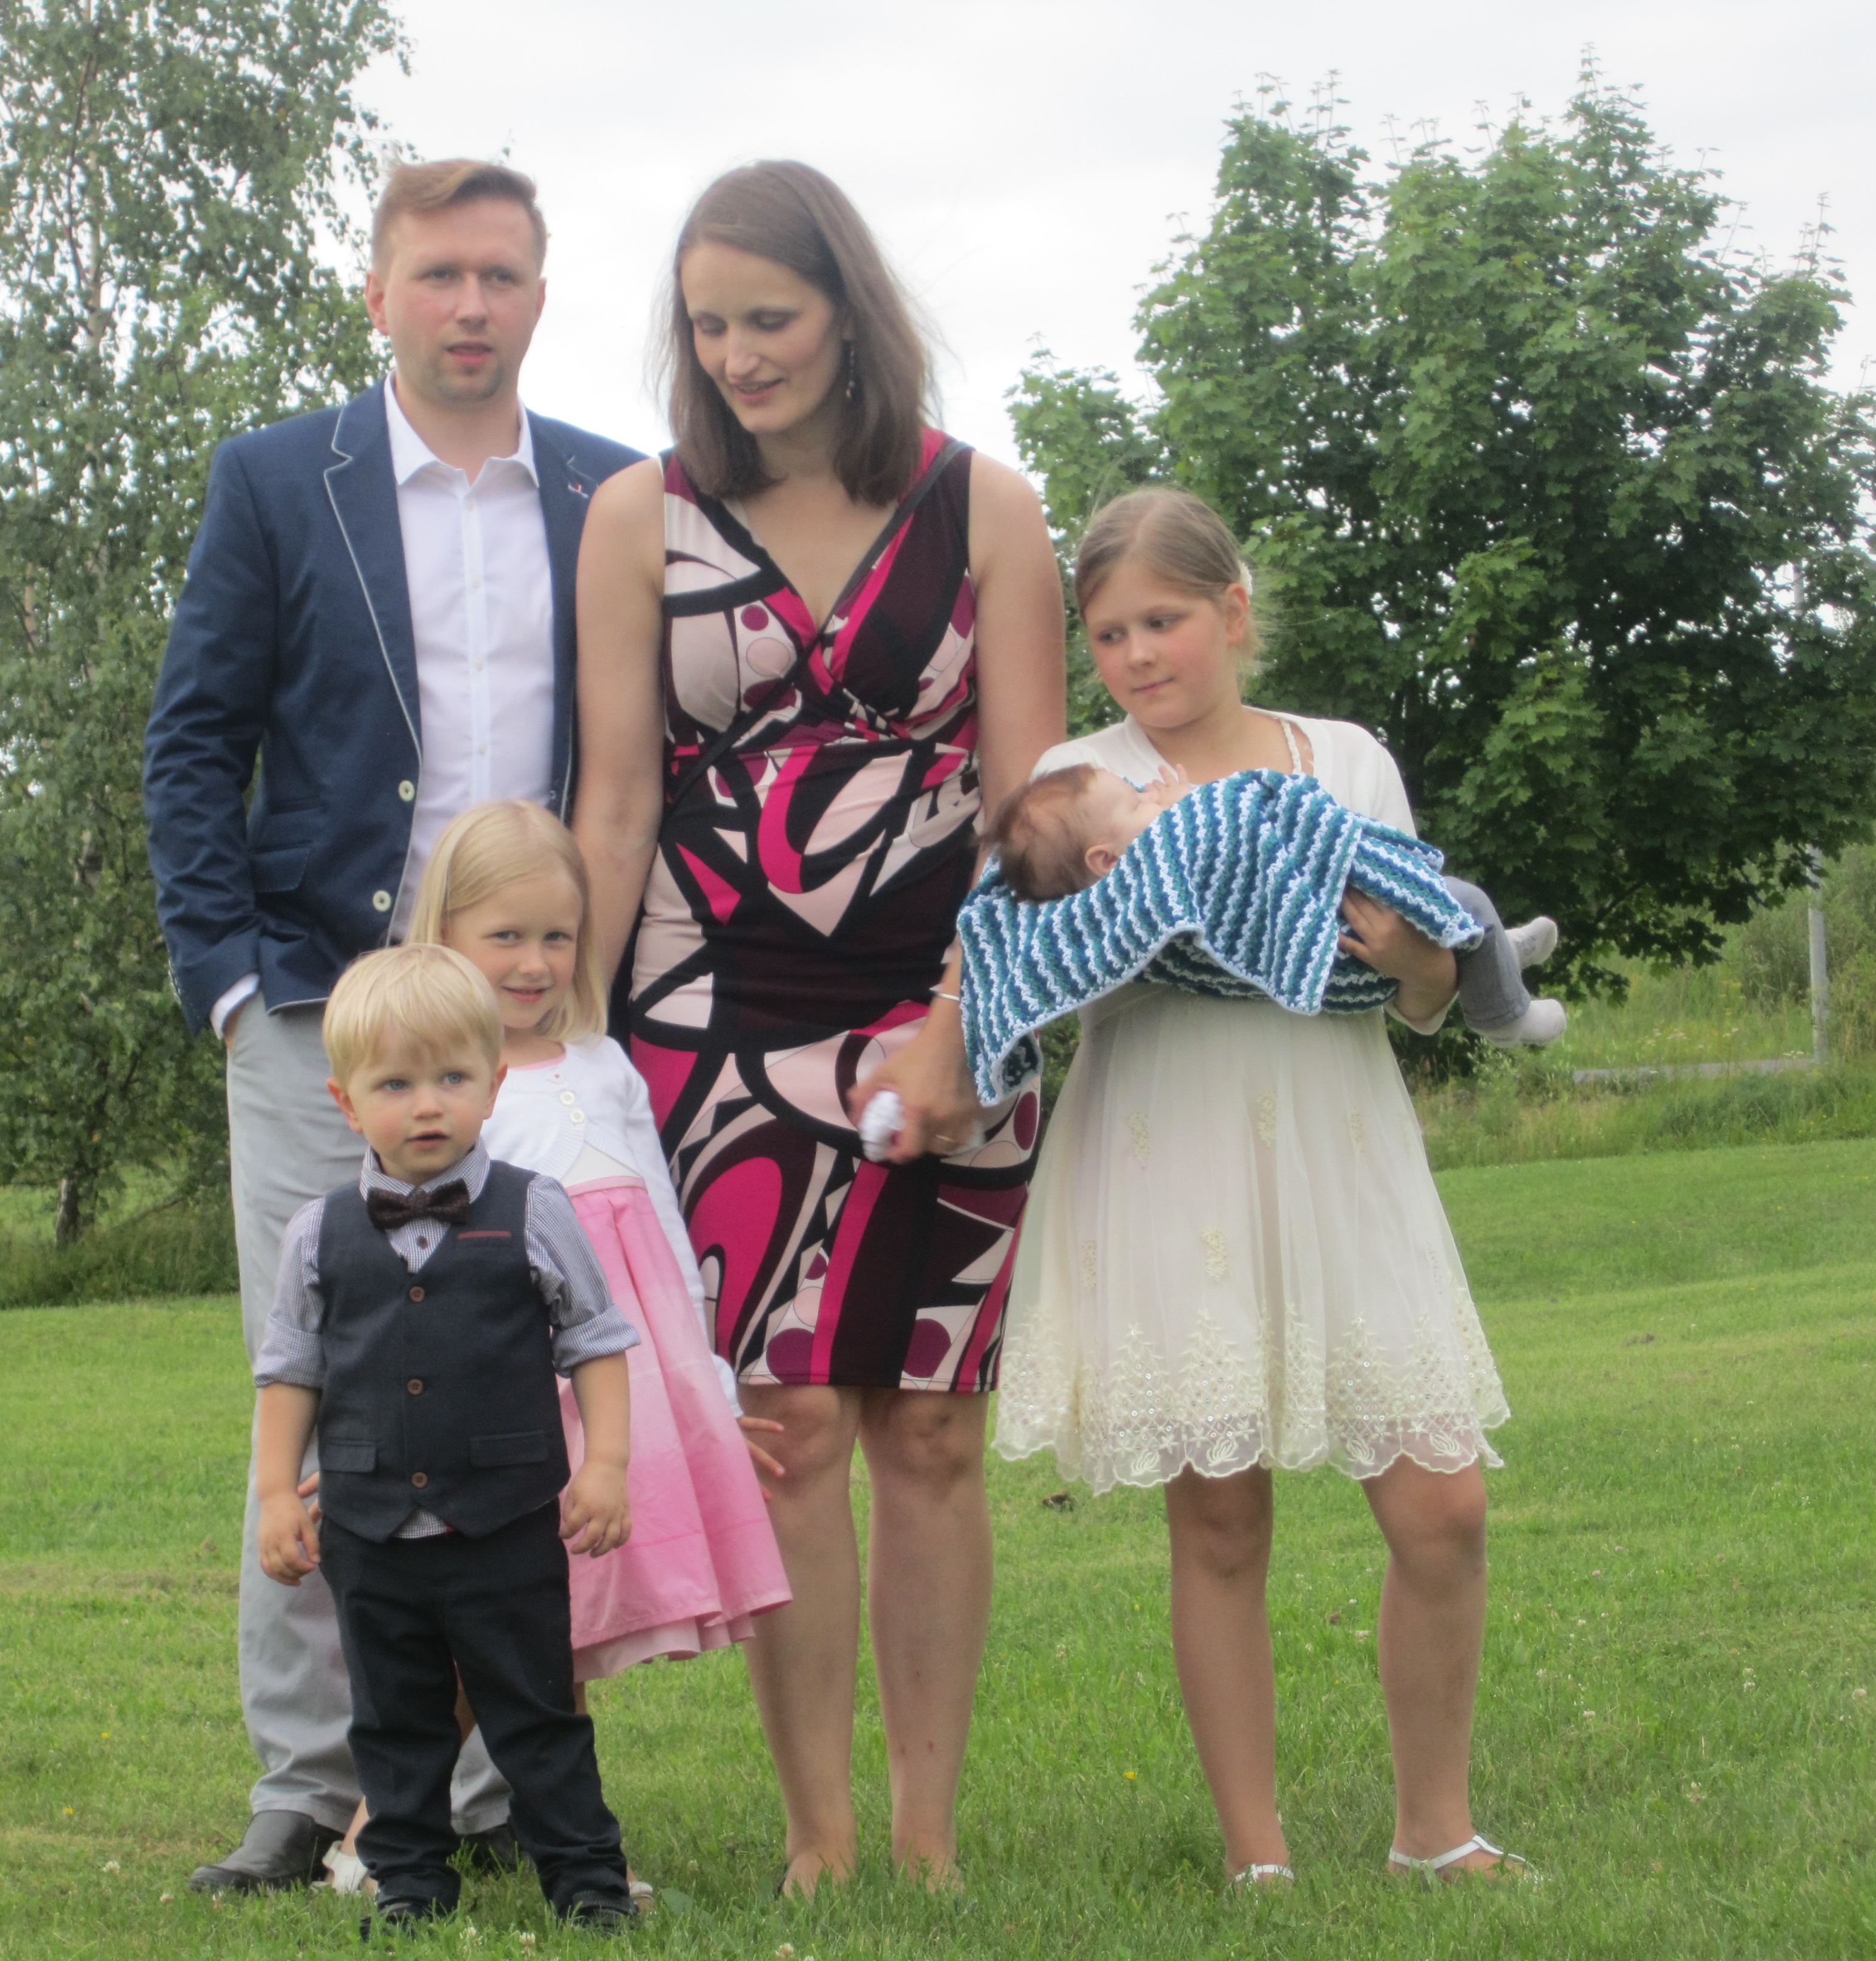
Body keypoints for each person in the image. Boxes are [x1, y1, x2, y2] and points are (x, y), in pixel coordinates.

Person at [142, 157, 643, 1894]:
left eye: (500, 274)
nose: (470, 305)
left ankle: (483, 1798)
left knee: (510, 1396)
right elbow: (193, 741)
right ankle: (306, 1787)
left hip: (531, 1024)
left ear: (540, 294)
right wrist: (227, 983)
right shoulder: (281, 480)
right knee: (317, 1385)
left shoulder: (611, 492)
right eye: (438, 274)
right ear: (380, 293)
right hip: (320, 1011)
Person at [569, 160, 1068, 1891]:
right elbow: (614, 805)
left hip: (952, 999)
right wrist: (573, 1052)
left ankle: (927, 1836)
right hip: (710, 1016)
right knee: (790, 1433)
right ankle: (820, 1838)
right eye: (708, 326)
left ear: (849, 312)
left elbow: (1030, 814)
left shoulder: (988, 507)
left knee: (930, 1426)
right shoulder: (637, 517)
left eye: (768, 317)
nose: (737, 356)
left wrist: (967, 1025)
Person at [993, 486, 1532, 1884]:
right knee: (1221, 1514)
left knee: (1444, 1505)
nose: (1136, 655)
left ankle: (1435, 1828)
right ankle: (1259, 1854)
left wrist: (1412, 957)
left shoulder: (1340, 757)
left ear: (1233, 610)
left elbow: (1423, 993)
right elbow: (1054, 964)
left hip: (1340, 1147)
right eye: (1109, 632)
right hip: (1169, 1153)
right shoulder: (1081, 777)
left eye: (1163, 620)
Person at [251, 943, 640, 1932]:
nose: (427, 1106)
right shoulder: (317, 1235)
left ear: (494, 1085)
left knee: (538, 1712)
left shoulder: (534, 1209)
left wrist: (605, 1464)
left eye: (453, 1079)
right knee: (394, 1722)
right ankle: (409, 1886)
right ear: (346, 1103)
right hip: (370, 1533)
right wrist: (275, 1494)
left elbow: (596, 1343)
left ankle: (588, 1884)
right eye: (396, 1085)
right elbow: (290, 1373)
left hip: (507, 1525)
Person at [415, 800, 791, 1680]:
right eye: (506, 936)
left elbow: (661, 1228)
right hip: (511, 1382)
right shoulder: (441, 1088)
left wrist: (712, 1389)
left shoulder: (604, 1064)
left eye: (558, 937)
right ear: (445, 933)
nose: (535, 963)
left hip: (624, 1389)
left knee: (567, 1618)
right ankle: (399, 1778)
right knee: (500, 1616)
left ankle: (554, 1775)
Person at [988, 761, 1567, 1045]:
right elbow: (1229, 838)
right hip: (1334, 944)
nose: (1153, 797)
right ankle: (1504, 1016)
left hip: (1356, 931)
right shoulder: (1151, 888)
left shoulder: (1132, 887)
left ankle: (1495, 957)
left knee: (1459, 911)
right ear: (1106, 861)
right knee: (1465, 903)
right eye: (1138, 802)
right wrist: (1196, 800)